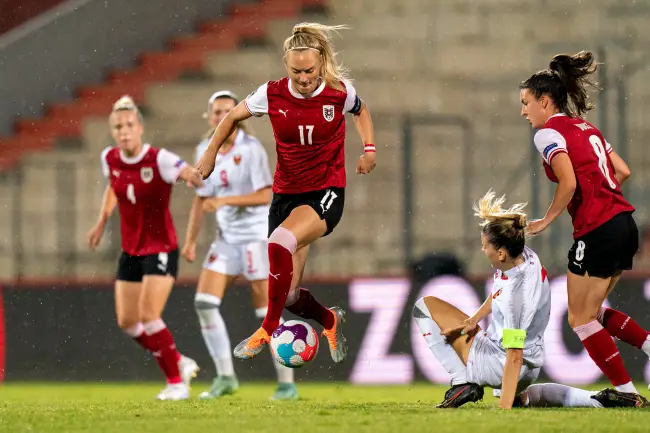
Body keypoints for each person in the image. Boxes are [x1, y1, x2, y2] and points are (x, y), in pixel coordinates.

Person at [195, 22, 377, 362]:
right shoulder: (272, 93)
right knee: (290, 294)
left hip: (326, 190)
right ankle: (329, 320)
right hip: (286, 196)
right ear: (286, 66)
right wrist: (209, 154)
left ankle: (267, 328)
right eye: (296, 72)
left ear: (321, 63)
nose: (304, 78)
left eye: (309, 70)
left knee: (279, 242)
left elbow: (361, 110)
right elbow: (232, 117)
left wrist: (369, 149)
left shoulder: (338, 91)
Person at [413, 190, 648, 409]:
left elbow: (513, 356)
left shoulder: (516, 297)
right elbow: (498, 292)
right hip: (532, 362)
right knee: (523, 399)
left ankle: (461, 381)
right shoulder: (525, 257)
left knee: (423, 307)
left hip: (504, 361)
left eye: (485, 247)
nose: (483, 250)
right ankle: (597, 399)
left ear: (501, 253)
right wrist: (474, 318)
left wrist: (503, 411)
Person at [520, 50, 650, 394]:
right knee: (591, 313)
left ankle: (626, 392)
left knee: (579, 319)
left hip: (599, 230)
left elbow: (569, 182)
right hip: (624, 223)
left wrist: (545, 220)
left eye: (526, 102)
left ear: (545, 102)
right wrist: (600, 197)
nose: (523, 111)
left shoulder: (547, 133)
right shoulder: (586, 127)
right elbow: (621, 171)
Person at [182, 90, 297, 400]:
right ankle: (225, 377)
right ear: (209, 116)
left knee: (266, 309)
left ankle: (287, 383)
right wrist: (191, 241)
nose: (222, 116)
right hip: (227, 239)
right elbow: (201, 199)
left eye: (228, 111)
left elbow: (264, 195)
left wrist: (224, 200)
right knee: (204, 304)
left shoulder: (251, 150)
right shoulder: (203, 149)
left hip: (256, 237)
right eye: (216, 112)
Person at [87, 96, 203, 400]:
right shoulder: (109, 158)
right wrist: (102, 220)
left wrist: (197, 177)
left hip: (161, 248)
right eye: (117, 127)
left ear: (140, 127)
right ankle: (178, 360)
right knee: (128, 322)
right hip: (131, 250)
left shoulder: (159, 159)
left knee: (149, 314)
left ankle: (176, 383)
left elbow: (187, 172)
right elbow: (115, 188)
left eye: (128, 125)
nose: (123, 131)